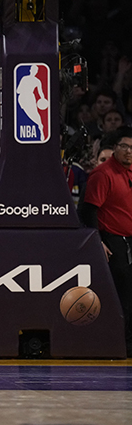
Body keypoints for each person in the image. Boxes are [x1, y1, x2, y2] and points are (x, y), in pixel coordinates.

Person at [81, 126, 132, 356]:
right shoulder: (102, 174)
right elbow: (89, 209)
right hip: (113, 241)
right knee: (123, 293)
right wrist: (98, 241)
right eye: (124, 147)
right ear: (114, 148)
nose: (129, 152)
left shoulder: (129, 171)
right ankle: (121, 344)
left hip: (129, 239)